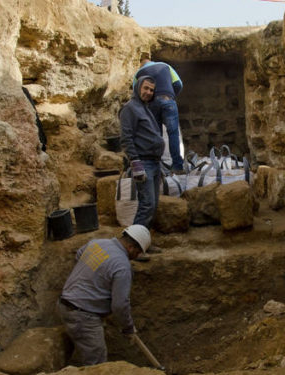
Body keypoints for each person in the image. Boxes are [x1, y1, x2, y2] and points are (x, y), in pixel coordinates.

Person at [58, 224, 151, 366]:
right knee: (97, 364)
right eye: (138, 253)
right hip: (83, 316)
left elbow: (79, 256)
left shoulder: (97, 243)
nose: (136, 257)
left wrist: (93, 279)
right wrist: (128, 328)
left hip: (64, 305)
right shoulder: (122, 266)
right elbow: (120, 305)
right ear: (132, 248)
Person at [120, 76, 164, 228]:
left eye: (151, 90)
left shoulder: (145, 108)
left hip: (154, 162)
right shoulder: (130, 108)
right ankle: (132, 243)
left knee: (153, 205)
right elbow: (126, 138)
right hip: (143, 163)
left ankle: (143, 241)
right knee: (147, 205)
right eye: (146, 88)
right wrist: (135, 162)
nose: (149, 92)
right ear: (138, 88)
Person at [133, 53, 184, 173]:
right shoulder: (165, 66)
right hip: (168, 101)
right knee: (173, 134)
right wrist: (171, 96)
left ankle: (157, 167)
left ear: (141, 64)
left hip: (151, 105)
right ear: (151, 60)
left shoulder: (138, 74)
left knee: (156, 135)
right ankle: (177, 167)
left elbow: (136, 94)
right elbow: (178, 84)